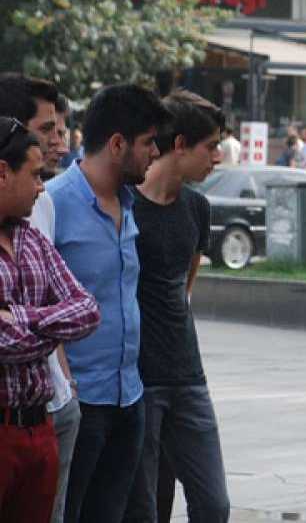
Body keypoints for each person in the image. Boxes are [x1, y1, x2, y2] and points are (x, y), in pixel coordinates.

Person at [48, 84, 170, 523]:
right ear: (117, 144)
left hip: (128, 396)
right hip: (82, 403)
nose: (156, 152)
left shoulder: (129, 202)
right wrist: (67, 390)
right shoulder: (53, 203)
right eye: (148, 142)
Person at [123, 90, 229, 523]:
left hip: (189, 376)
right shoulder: (126, 205)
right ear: (180, 144)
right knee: (147, 508)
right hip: (138, 380)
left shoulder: (197, 208)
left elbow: (184, 290)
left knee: (213, 504)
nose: (218, 157)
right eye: (211, 146)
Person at [0, 115, 100, 523]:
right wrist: (49, 329)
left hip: (40, 429)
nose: (43, 187)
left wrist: (18, 319)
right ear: (3, 172)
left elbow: (86, 309)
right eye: (35, 175)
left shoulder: (32, 237)